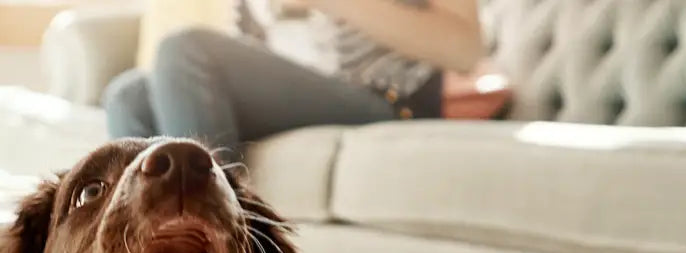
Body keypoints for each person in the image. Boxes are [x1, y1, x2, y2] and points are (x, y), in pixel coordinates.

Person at [104, 0, 485, 158]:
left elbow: (464, 50)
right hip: (295, 91)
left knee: (185, 50)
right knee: (128, 95)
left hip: (387, 97)